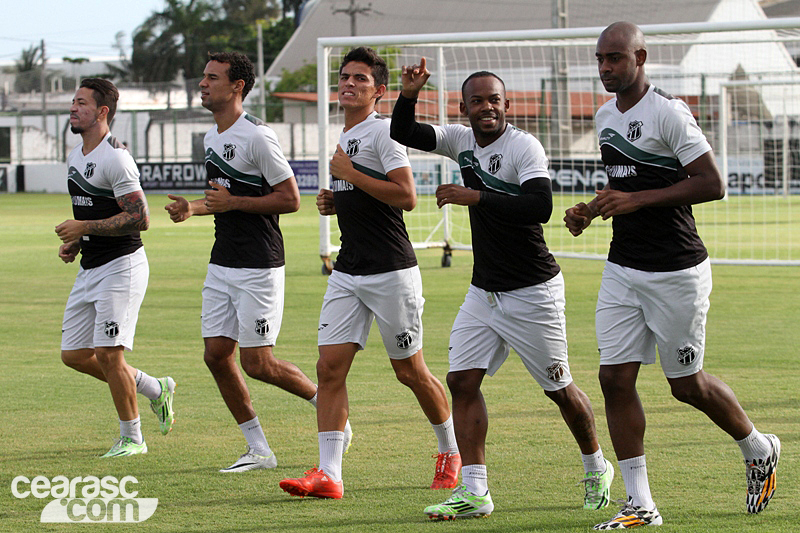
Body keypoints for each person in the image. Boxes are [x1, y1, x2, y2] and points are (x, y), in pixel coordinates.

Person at [564, 21, 781, 530]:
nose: (605, 68)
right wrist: (592, 210)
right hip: (622, 267)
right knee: (614, 378)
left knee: (686, 384)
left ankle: (757, 446)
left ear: (641, 57)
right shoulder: (604, 117)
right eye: (600, 59)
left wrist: (634, 200)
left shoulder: (669, 112)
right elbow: (627, 184)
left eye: (615, 58)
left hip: (677, 270)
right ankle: (639, 503)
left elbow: (712, 183)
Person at [391, 60, 612, 520]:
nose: (486, 107)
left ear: (507, 105)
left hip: (533, 289)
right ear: (464, 107)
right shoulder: (460, 139)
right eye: (477, 101)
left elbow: (540, 207)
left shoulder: (523, 146)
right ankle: (475, 491)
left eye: (494, 99)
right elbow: (404, 131)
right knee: (461, 380)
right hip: (484, 290)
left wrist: (477, 196)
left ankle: (597, 467)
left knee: (559, 388)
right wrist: (409, 93)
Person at [278, 47, 460, 500]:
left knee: (410, 371)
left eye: (360, 78)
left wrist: (351, 177)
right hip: (348, 269)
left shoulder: (383, 133)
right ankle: (329, 474)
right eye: (344, 76)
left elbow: (406, 196)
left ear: (379, 91)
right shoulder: (345, 136)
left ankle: (451, 451)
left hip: (391, 271)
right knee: (329, 368)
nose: (348, 83)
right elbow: (364, 193)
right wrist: (338, 199)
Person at [165, 51, 349, 472]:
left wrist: (233, 202)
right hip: (222, 261)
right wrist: (193, 208)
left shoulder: (258, 136)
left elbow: (291, 199)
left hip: (258, 264)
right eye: (203, 76)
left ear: (237, 87)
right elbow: (222, 200)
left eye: (212, 77)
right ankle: (259, 450)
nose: (203, 83)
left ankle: (329, 407)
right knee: (215, 355)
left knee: (258, 363)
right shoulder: (213, 138)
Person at [57, 78, 175, 457]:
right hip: (91, 266)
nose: (73, 109)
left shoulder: (116, 157)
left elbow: (141, 218)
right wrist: (77, 241)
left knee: (110, 354)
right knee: (74, 354)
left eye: (81, 103)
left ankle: (133, 438)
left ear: (102, 111)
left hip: (121, 267)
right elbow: (96, 210)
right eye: (73, 102)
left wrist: (83, 228)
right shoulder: (77, 156)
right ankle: (154, 388)